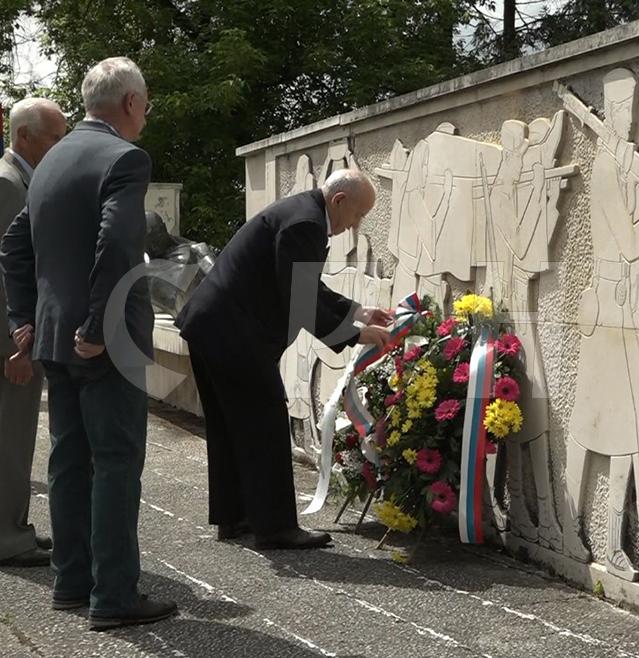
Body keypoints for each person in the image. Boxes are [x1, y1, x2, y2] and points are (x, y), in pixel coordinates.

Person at [0, 57, 177, 630]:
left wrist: (24, 319)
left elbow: (13, 246)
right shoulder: (126, 158)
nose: (146, 115)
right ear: (130, 103)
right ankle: (114, 597)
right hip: (104, 341)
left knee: (69, 461)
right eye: (145, 105)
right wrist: (98, 328)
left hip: (52, 337)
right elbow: (118, 243)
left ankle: (71, 583)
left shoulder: (49, 162)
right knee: (118, 463)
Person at [175, 168, 392, 550]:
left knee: (231, 426)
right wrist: (356, 334)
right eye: (358, 215)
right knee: (265, 420)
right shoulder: (306, 223)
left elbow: (303, 283)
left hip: (212, 326)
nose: (356, 225)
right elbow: (301, 298)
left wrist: (358, 311)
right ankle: (275, 528)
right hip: (233, 332)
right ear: (339, 201)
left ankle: (235, 517)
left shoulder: (301, 214)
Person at [0, 97, 65, 568]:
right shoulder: (9, 185)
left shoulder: (18, 179)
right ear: (24, 136)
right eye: (54, 138)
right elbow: (11, 274)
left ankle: (15, 525)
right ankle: (7, 535)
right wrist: (18, 343)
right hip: (10, 341)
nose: (60, 147)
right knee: (12, 435)